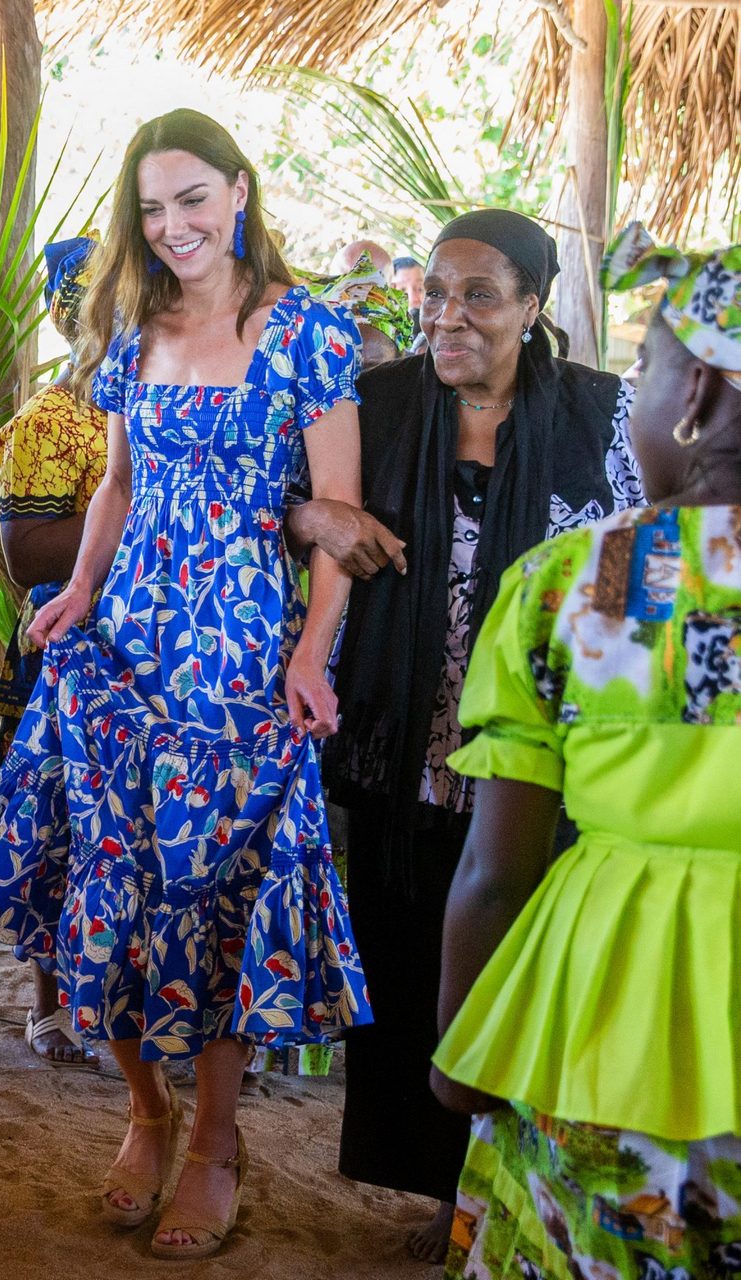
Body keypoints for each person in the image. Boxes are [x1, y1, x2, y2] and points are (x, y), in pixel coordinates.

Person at [0, 107, 372, 1259]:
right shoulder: (131, 332)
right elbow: (116, 485)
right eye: (152, 206)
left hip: (240, 658)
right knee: (115, 882)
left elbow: (335, 522)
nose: (173, 223)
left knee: (223, 893)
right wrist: (82, 588)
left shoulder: (310, 336)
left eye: (192, 197)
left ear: (239, 192)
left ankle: (215, 1142)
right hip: (123, 651)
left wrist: (308, 654)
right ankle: (145, 1113)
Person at [324, 208, 645, 1262]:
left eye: (478, 297)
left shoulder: (603, 416)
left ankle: (496, 1183)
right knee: (415, 953)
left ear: (532, 307)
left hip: (539, 753)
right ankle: (435, 1186)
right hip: (402, 735)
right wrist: (315, 519)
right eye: (435, 295)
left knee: (516, 956)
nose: (447, 317)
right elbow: (294, 498)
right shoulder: (377, 403)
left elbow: (654, 538)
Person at [431, 224, 741, 1280]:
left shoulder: (580, 583)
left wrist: (462, 1045)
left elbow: (495, 866)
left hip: (594, 1015)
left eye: (646, 370)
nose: (636, 395)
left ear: (693, 397)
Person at [0, 236, 107, 1068]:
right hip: (72, 646)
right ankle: (50, 999)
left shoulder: (178, 398)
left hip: (161, 652)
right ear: (66, 319)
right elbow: (29, 557)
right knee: (62, 819)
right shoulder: (55, 421)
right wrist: (152, 505)